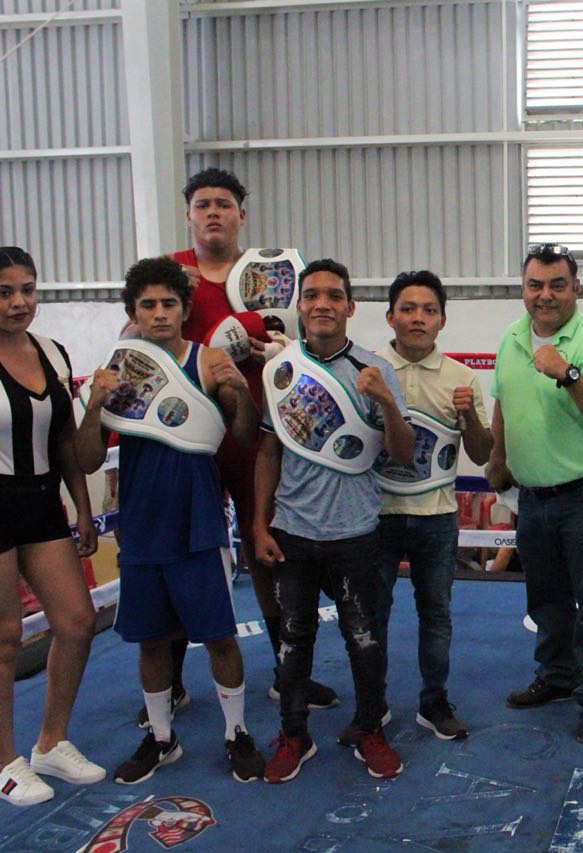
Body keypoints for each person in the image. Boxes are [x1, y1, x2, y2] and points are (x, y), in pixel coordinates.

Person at [74, 257, 266, 784]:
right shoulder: (119, 369)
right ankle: (161, 737)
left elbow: (245, 436)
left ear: (184, 309)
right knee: (151, 639)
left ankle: (236, 732)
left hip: (199, 518)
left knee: (219, 635)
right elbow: (88, 459)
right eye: (148, 305)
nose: (159, 313)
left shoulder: (209, 361)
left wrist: (239, 390)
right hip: (141, 522)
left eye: (169, 304)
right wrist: (93, 405)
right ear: (133, 313)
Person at [162, 167, 338, 723]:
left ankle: (289, 673)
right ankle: (168, 682)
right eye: (203, 204)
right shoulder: (168, 273)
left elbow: (305, 335)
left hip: (257, 433)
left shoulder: (272, 274)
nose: (213, 212)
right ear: (188, 215)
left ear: (242, 213)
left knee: (268, 549)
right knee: (178, 553)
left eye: (224, 203)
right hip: (186, 437)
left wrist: (284, 351)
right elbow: (132, 344)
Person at [254, 259, 414, 782]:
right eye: (312, 295)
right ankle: (293, 735)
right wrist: (258, 524)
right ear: (300, 305)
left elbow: (403, 455)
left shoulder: (375, 369)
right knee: (292, 641)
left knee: (364, 640)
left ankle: (370, 729)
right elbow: (268, 452)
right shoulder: (282, 372)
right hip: (293, 531)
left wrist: (386, 401)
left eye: (334, 295)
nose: (322, 303)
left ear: (350, 307)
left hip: (356, 531)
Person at [486, 243, 583, 744]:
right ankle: (557, 676)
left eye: (556, 285)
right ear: (523, 289)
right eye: (535, 285)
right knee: (545, 597)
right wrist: (498, 457)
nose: (545, 295)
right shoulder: (511, 337)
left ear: (576, 289)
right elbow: (502, 400)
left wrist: (567, 373)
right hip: (532, 495)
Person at [0, 247, 104, 806]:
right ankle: (4, 760)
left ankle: (51, 742)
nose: (19, 302)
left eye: (27, 290)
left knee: (77, 620)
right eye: (4, 293)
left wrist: (82, 508)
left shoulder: (52, 352)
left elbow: (65, 440)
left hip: (42, 503)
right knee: (6, 636)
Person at [372, 270, 493, 742]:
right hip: (375, 515)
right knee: (372, 615)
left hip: (437, 516)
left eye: (428, 310)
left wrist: (468, 417)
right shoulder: (368, 371)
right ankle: (370, 703)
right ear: (390, 317)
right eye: (408, 309)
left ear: (442, 320)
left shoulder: (462, 378)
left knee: (436, 614)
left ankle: (434, 701)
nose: (418, 318)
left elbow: (481, 453)